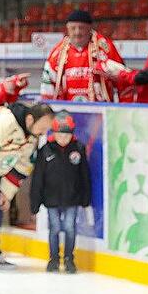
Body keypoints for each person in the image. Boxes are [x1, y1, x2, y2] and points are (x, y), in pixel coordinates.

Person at [0, 102, 56, 268]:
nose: (44, 133)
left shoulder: (31, 137)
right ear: (30, 119)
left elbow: (23, 165)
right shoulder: (5, 121)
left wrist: (6, 192)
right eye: (43, 127)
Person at [29, 111, 91, 274]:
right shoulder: (45, 150)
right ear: (53, 133)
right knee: (55, 228)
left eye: (67, 135)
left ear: (72, 135)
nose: (63, 139)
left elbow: (85, 175)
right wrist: (35, 203)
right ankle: (54, 259)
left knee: (70, 228)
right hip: (51, 199)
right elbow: (38, 178)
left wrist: (86, 198)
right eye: (60, 135)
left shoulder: (78, 148)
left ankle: (69, 259)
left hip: (72, 198)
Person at [41, 10, 129, 102]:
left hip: (100, 109)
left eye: (81, 28)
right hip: (67, 110)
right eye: (73, 28)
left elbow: (123, 79)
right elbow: (47, 87)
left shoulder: (105, 49)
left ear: (90, 28)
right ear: (67, 29)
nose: (77, 32)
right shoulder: (57, 53)